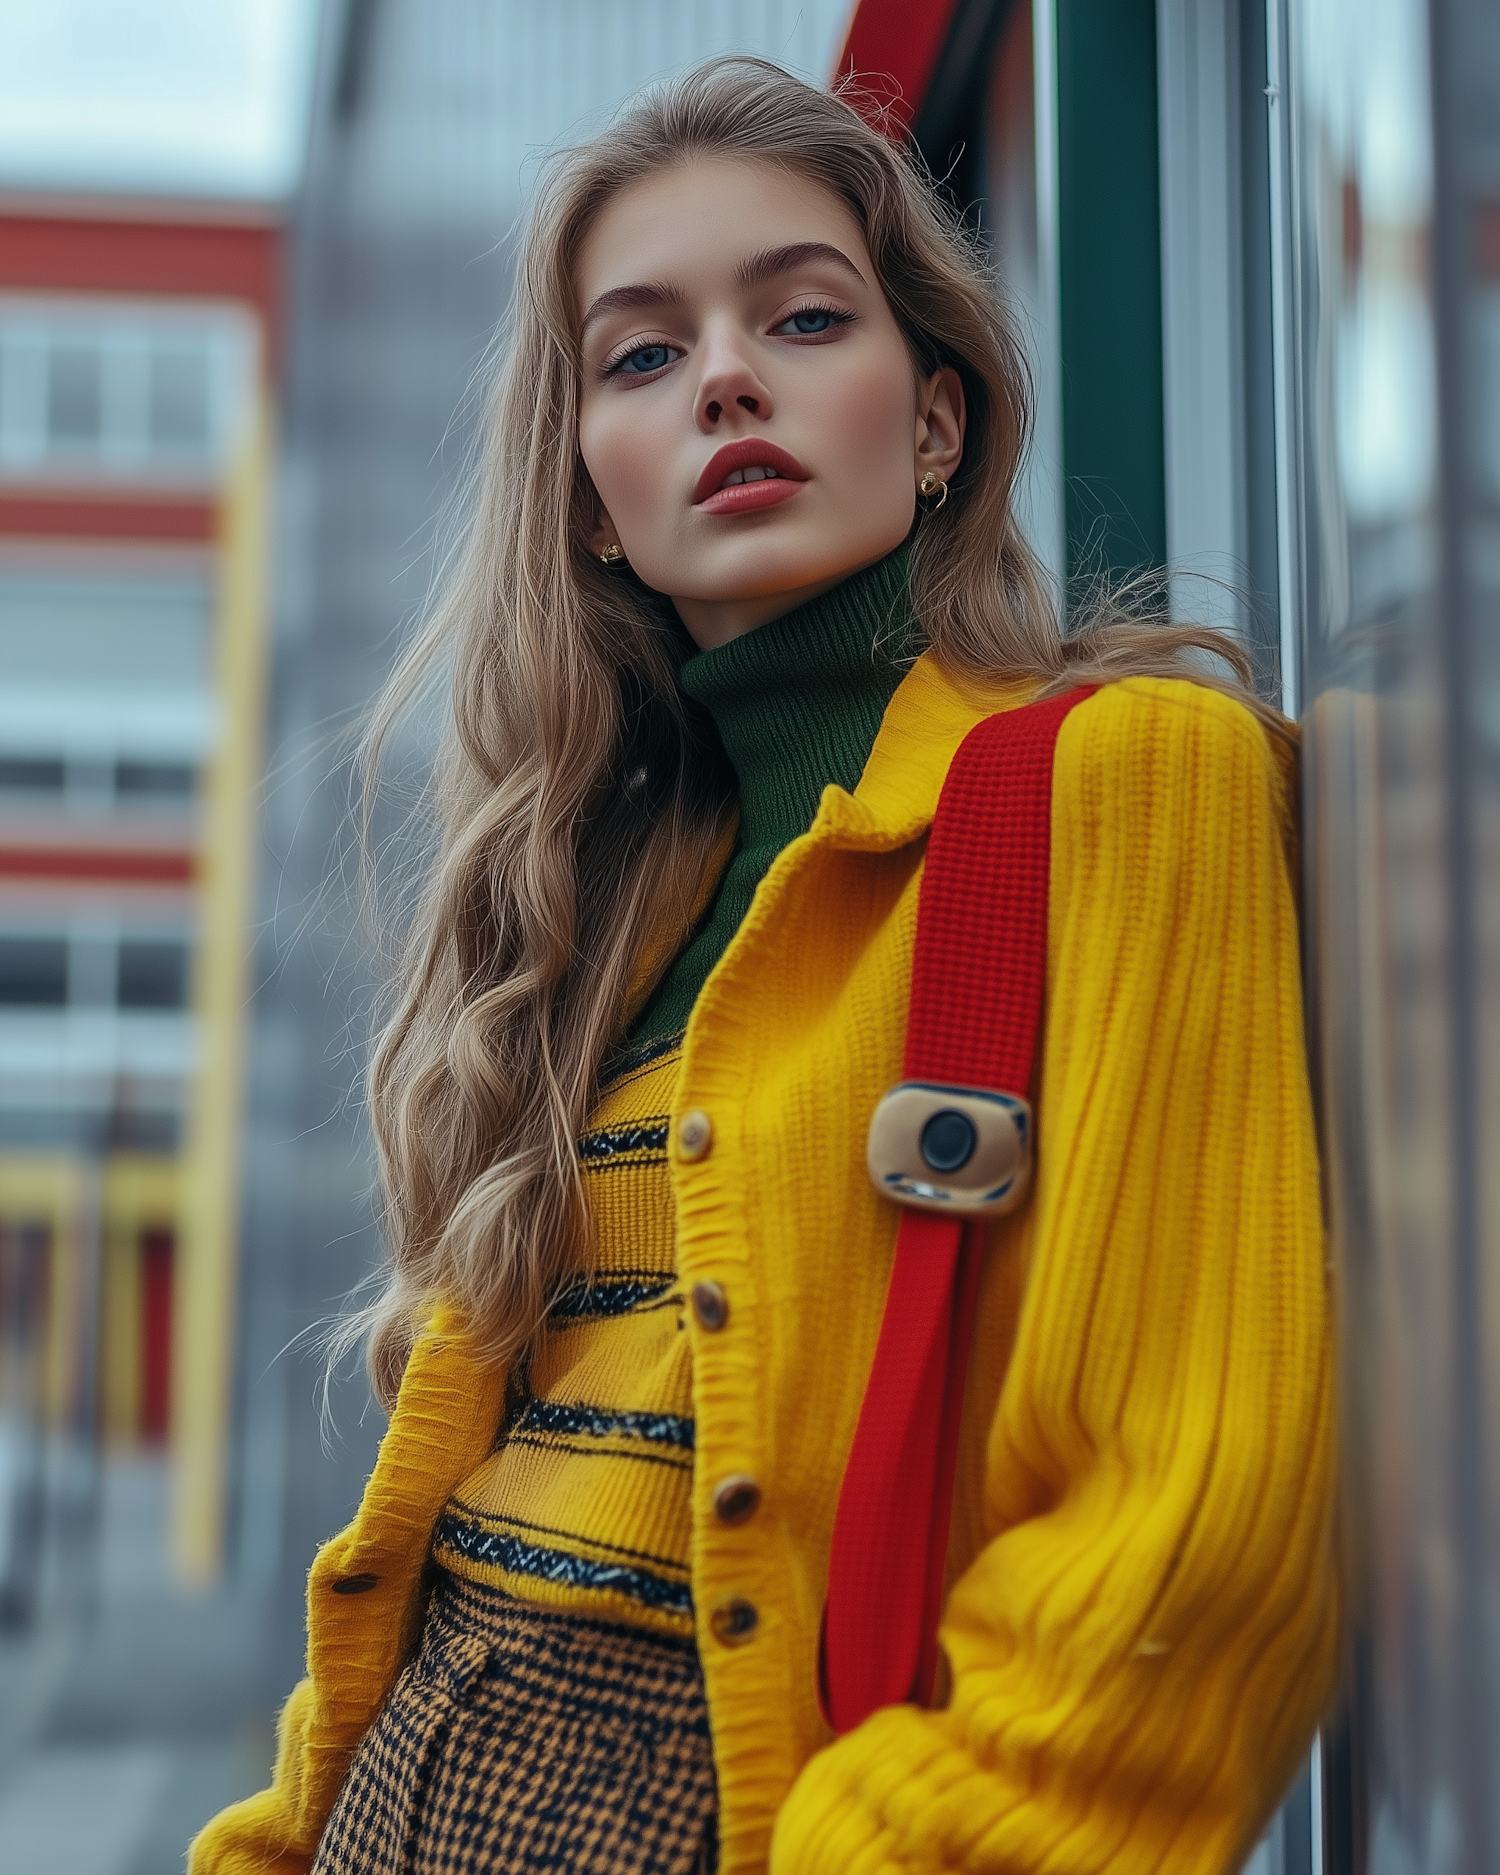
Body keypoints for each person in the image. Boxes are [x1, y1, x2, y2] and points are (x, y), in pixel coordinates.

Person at [192, 56, 1337, 1875]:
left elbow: (1189, 1521)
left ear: (938, 423)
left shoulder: (1124, 780)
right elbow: (425, 1535)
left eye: (802, 319)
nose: (725, 377)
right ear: (593, 498)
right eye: (643, 355)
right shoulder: (601, 906)